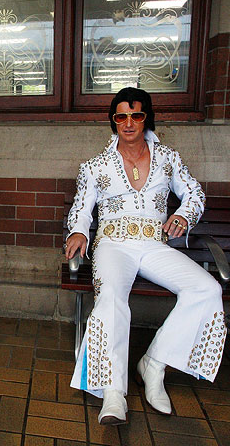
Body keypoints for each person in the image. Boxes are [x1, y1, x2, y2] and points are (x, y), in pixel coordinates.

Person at [64, 87, 227, 425]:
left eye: (136, 115)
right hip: (112, 244)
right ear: (113, 121)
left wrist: (183, 215)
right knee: (110, 296)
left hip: (154, 245)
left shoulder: (168, 157)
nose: (128, 123)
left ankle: (154, 365)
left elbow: (194, 193)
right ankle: (113, 391)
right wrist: (78, 231)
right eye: (120, 116)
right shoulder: (95, 166)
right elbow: (81, 208)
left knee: (206, 289)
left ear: (146, 118)